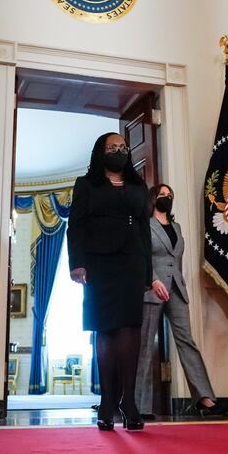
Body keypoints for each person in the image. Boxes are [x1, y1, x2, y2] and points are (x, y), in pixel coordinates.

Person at [67, 132, 151, 432]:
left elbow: (144, 228)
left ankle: (129, 403)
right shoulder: (86, 184)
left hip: (132, 261)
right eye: (112, 147)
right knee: (105, 329)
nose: (119, 151)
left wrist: (148, 273)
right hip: (99, 262)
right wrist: (77, 263)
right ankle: (106, 402)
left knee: (130, 329)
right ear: (100, 152)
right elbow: (75, 225)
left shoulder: (139, 185)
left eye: (123, 147)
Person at [135, 184, 222, 417]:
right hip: (152, 289)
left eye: (170, 195)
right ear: (153, 199)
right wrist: (153, 281)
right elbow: (141, 257)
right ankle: (139, 405)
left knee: (186, 341)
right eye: (162, 195)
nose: (167, 198)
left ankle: (205, 397)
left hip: (177, 290)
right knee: (145, 347)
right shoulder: (145, 226)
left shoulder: (177, 227)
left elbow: (176, 259)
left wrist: (178, 285)